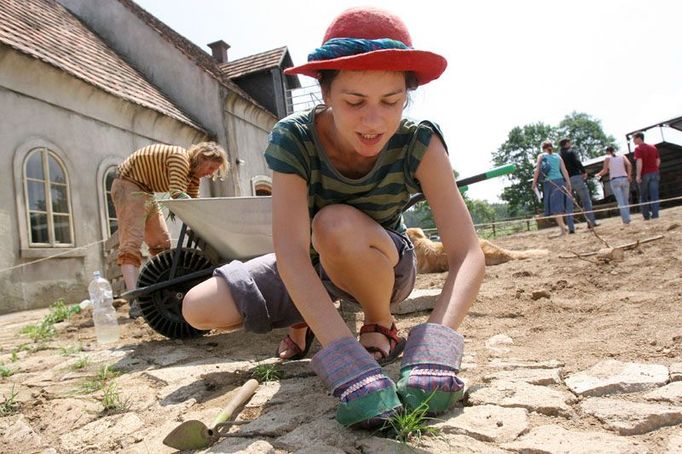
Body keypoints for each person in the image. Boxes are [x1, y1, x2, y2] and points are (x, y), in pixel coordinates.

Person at [181, 7, 485, 428]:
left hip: (383, 264)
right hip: (308, 263)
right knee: (198, 307)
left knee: (334, 223)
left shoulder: (420, 141)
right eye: (354, 101)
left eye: (391, 101)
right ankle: (309, 317)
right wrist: (344, 359)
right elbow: (289, 252)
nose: (373, 120)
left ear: (407, 97)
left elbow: (468, 253)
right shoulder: (294, 139)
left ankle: (379, 323)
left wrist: (437, 343)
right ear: (325, 94)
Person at [112, 142, 228, 317]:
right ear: (201, 158)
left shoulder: (193, 176)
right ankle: (137, 301)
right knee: (131, 243)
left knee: (161, 242)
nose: (211, 173)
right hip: (128, 184)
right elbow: (177, 193)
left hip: (146, 190)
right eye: (211, 167)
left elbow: (190, 207)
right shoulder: (181, 159)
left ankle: (157, 292)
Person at [532, 140, 572, 237]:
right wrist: (568, 183)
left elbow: (537, 170)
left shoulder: (541, 156)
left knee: (555, 208)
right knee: (558, 206)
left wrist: (534, 183)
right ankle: (563, 228)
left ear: (543, 148)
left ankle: (563, 229)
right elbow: (564, 170)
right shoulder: (558, 156)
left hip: (549, 182)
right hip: (560, 181)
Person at [559, 138, 598, 233]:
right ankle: (591, 222)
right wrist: (584, 172)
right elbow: (577, 162)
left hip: (565, 180)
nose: (571, 144)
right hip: (576, 178)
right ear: (567, 144)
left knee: (569, 205)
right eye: (569, 142)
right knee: (586, 201)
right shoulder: (571, 152)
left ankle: (571, 228)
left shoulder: (558, 155)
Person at [595, 146, 632, 225]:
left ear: (607, 152)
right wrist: (629, 175)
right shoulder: (622, 156)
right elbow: (629, 164)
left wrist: (598, 174)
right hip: (624, 178)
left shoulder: (607, 158)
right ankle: (628, 217)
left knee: (620, 201)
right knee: (626, 200)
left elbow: (605, 170)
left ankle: (626, 220)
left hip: (615, 180)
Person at [632, 132, 661, 220]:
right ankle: (655, 215)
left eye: (634, 138)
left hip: (644, 174)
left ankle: (646, 216)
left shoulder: (638, 149)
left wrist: (638, 175)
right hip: (654, 173)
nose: (633, 140)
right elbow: (658, 160)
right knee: (654, 195)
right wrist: (655, 169)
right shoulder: (653, 147)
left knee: (643, 195)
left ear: (639, 138)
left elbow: (639, 162)